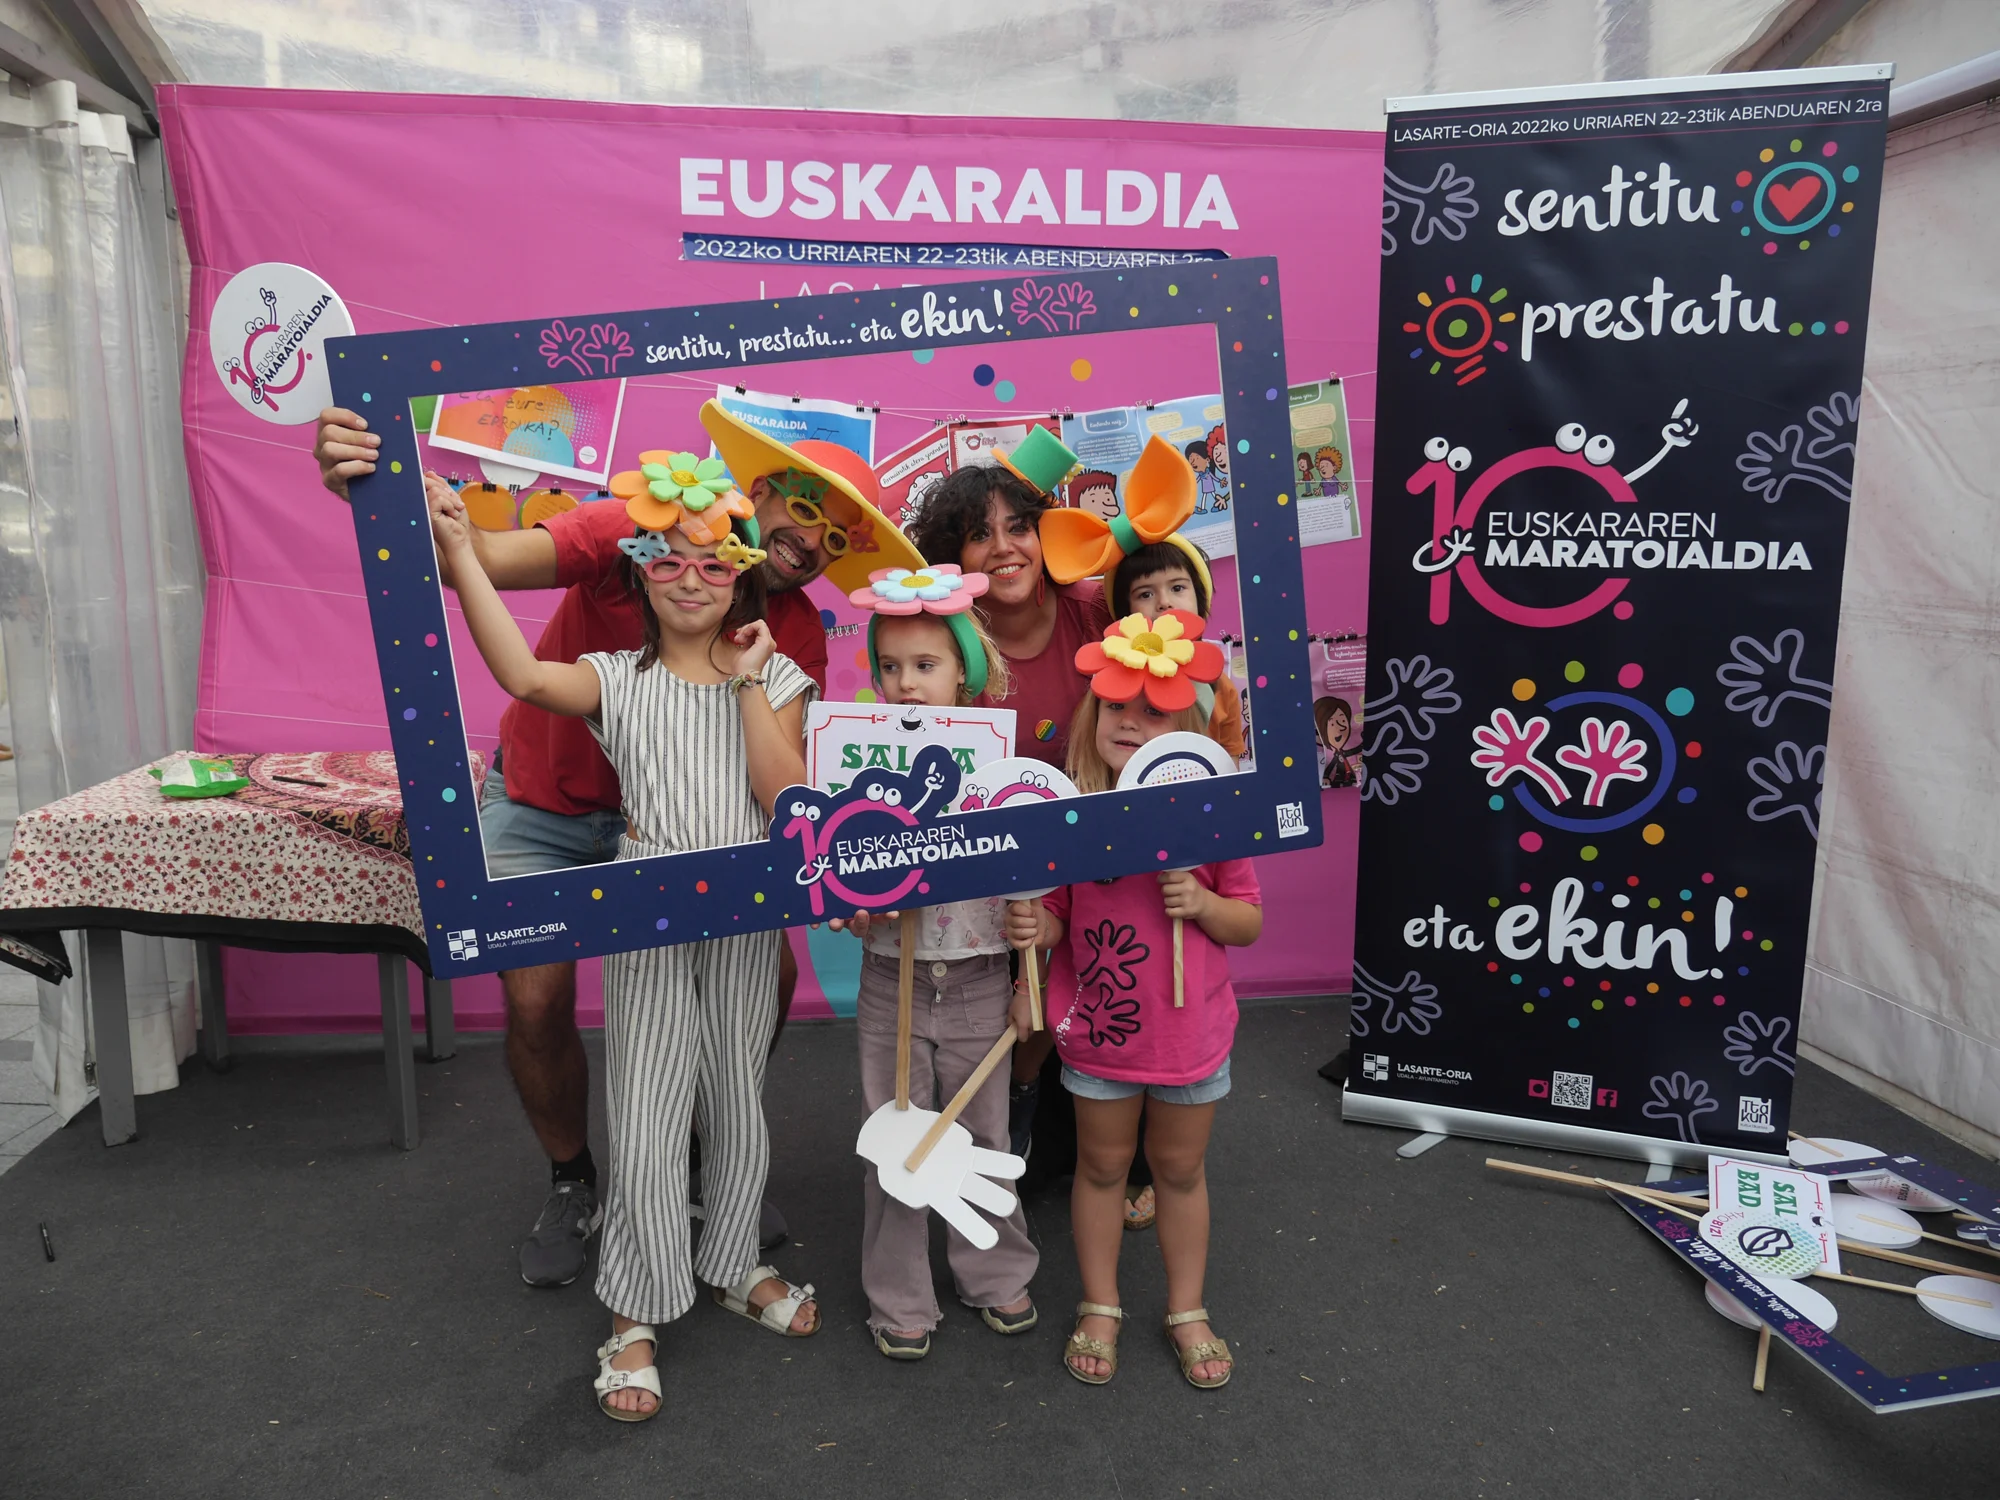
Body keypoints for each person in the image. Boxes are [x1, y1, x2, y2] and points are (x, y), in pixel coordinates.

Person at [313, 400, 922, 1287]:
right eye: (803, 508)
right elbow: (481, 562)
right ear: (757, 492)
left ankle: (708, 1159)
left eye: (838, 535)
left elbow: (781, 785)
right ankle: (574, 1179)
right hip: (548, 803)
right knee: (535, 997)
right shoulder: (627, 531)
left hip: (683, 835)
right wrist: (384, 497)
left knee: (765, 979)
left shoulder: (789, 639)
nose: (812, 540)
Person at [432, 456, 822, 1422]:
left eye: (714, 564)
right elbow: (520, 673)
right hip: (646, 922)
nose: (692, 578)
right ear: (640, 572)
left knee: (736, 1096)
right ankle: (633, 1309)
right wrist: (460, 552)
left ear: (741, 576)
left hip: (744, 919)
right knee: (646, 1111)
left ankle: (732, 1260)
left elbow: (783, 795)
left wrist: (748, 683)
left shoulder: (777, 673)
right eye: (670, 561)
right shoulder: (614, 679)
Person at [1005, 604, 1259, 1391]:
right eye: (1116, 705)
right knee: (1102, 1167)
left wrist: (1203, 904)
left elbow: (1248, 922)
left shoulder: (1214, 824)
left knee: (1178, 1172)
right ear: (1093, 716)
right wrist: (1034, 925)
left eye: (1153, 711)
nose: (1129, 721)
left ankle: (1187, 1308)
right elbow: (1056, 920)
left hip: (1191, 1038)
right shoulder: (1074, 821)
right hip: (1100, 1035)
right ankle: (1101, 1303)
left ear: (1186, 733)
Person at [829, 563, 1039, 1359]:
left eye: (925, 665)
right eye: (890, 667)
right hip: (893, 978)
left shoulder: (999, 762)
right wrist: (853, 898)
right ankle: (900, 1295)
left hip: (981, 975)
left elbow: (1036, 874)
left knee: (984, 1136)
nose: (906, 684)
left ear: (965, 671)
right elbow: (837, 875)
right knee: (894, 1138)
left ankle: (994, 1271)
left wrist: (1030, 958)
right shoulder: (859, 764)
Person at [909, 427, 1110, 1160]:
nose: (1004, 548)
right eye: (978, 534)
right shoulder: (942, 635)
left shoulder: (1094, 613)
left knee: (1060, 983)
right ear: (952, 557)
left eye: (1018, 526)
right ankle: (998, 1107)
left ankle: (1028, 1097)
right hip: (979, 854)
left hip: (1086, 849)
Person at [1316, 695, 1359, 788]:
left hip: (1352, 781)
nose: (1341, 727)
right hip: (1337, 783)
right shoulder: (1332, 755)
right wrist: (1326, 777)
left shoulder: (1344, 751)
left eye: (1343, 720)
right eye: (1332, 724)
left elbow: (1355, 750)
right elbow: (1331, 765)